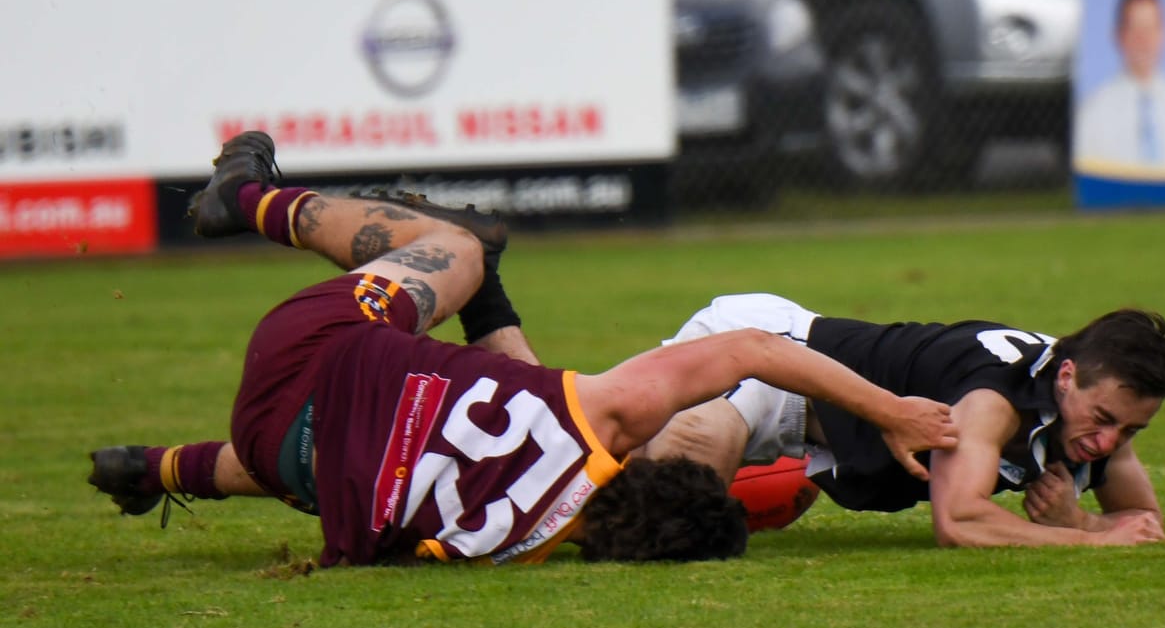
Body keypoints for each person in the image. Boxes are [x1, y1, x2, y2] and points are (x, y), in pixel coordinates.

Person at [86, 132, 957, 566]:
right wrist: (494, 296)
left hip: (311, 347)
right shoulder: (517, 545)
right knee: (352, 454)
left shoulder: (606, 413)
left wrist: (887, 411)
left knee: (454, 245)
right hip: (286, 446)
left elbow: (754, 345)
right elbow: (509, 374)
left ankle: (247, 201)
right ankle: (158, 469)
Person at [643, 293, 1165, 548]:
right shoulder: (995, 400)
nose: (1110, 442)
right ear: (1065, 376)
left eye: (1131, 430)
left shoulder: (1097, 414)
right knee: (668, 522)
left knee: (678, 521)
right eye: (1105, 419)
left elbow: (1143, 522)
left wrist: (1084, 518)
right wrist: (1092, 540)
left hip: (809, 419)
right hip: (776, 364)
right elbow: (959, 522)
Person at [1074, 0, 1165, 168]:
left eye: (1151, 28)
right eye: (1136, 29)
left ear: (1164, 33)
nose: (1144, 40)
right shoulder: (1095, 111)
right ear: (1119, 35)